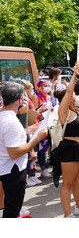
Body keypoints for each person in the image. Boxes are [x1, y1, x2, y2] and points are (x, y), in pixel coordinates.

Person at [52, 62, 79, 218]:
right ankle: (67, 214)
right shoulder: (64, 113)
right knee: (68, 184)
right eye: (72, 96)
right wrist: (74, 76)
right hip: (70, 149)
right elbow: (70, 90)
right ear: (68, 98)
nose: (76, 96)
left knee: (78, 181)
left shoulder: (78, 110)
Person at [0, 82, 47, 217]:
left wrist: (27, 130)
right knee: (12, 209)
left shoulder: (5, 116)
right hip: (12, 170)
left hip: (5, 167)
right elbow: (14, 152)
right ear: (19, 99)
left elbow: (6, 137)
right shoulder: (11, 121)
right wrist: (37, 138)